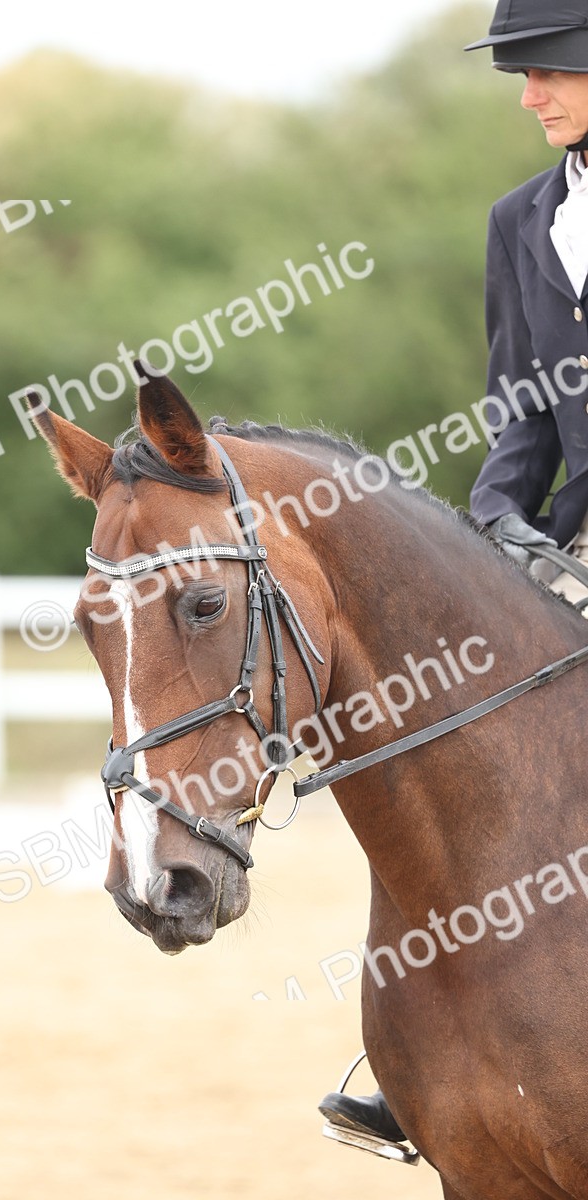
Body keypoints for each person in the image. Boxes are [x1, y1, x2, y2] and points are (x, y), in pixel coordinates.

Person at [320, 0, 588, 1145]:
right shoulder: (520, 219)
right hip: (570, 549)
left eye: (545, 71)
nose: (525, 95)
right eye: (519, 75)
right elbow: (519, 421)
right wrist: (493, 521)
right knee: (446, 740)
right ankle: (435, 1044)